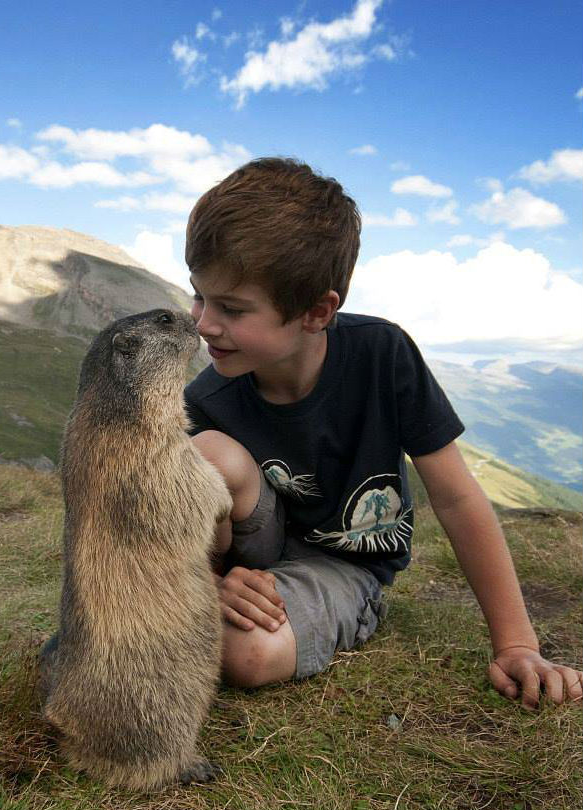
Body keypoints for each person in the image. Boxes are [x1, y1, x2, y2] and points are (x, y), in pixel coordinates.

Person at [183, 156, 582, 709]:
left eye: (231, 307)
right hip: (251, 554)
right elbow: (183, 516)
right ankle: (214, 600)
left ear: (316, 312)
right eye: (199, 295)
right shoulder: (207, 396)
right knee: (203, 457)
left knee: (243, 655)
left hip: (347, 562)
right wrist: (212, 582)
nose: (203, 322)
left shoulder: (382, 355)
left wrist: (516, 643)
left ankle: (349, 610)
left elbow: (457, 496)